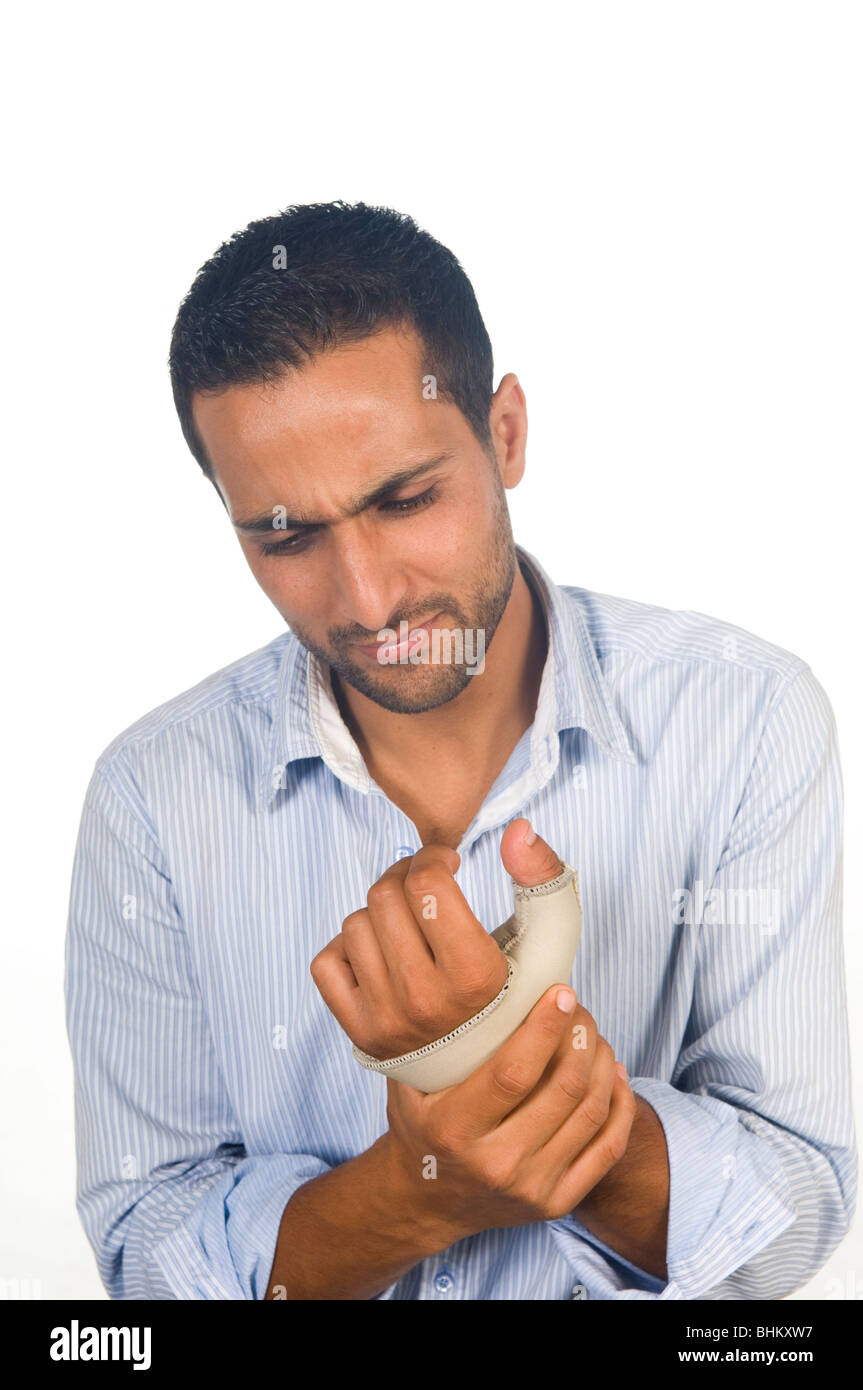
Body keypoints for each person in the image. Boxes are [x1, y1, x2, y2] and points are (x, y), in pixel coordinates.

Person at [65, 200, 855, 1300]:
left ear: (505, 433)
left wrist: (516, 1098)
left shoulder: (744, 720)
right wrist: (418, 1190)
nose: (368, 595)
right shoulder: (152, 798)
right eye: (285, 533)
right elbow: (146, 1249)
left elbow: (793, 1205)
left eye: (404, 498)